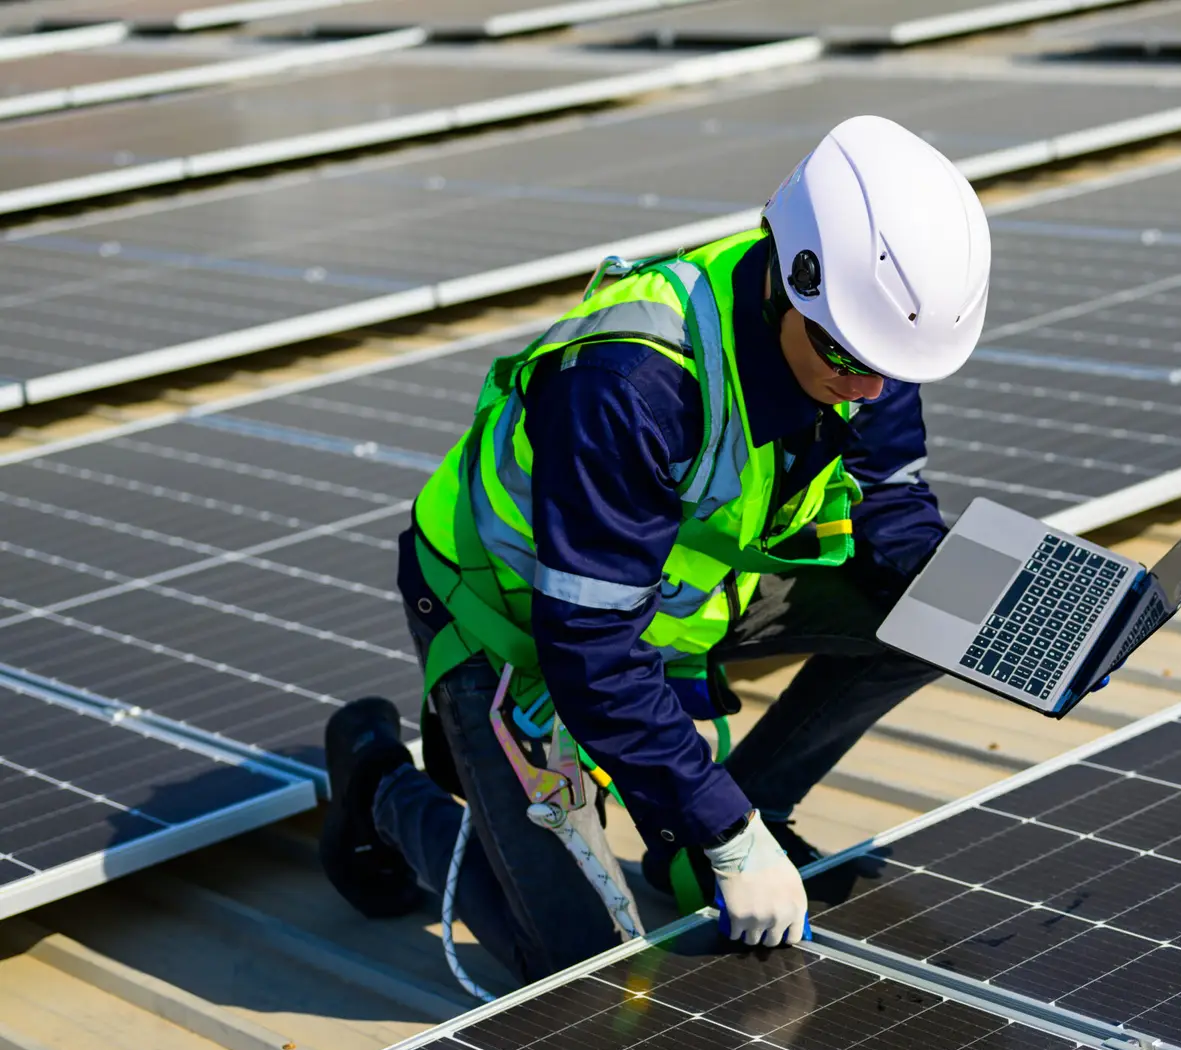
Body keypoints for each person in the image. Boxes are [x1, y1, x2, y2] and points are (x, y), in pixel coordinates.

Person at [316, 115, 992, 984]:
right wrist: (728, 834)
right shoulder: (632, 383)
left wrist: (1007, 621)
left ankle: (723, 824)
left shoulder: (867, 341)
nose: (865, 386)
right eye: (845, 354)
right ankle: (378, 784)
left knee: (945, 614)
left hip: (678, 597)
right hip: (515, 616)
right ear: (787, 279)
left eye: (890, 369)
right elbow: (590, 654)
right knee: (571, 967)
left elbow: (893, 504)